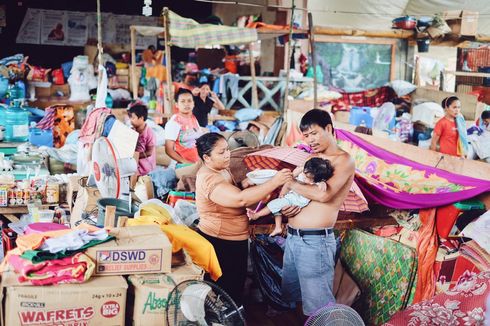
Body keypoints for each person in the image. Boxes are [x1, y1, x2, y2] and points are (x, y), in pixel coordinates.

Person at [195, 132, 292, 305]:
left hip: (234, 240)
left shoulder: (221, 169)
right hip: (220, 242)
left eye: (227, 149)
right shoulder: (208, 178)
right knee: (224, 295)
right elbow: (240, 199)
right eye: (221, 152)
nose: (227, 154)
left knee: (235, 290)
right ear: (206, 157)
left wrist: (245, 183)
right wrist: (274, 182)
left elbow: (235, 191)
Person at [279, 108, 355, 316]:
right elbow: (286, 186)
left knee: (319, 307)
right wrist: (284, 205)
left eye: (313, 133)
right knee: (293, 298)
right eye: (305, 136)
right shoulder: (311, 158)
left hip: (315, 242)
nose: (309, 140)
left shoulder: (343, 160)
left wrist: (292, 183)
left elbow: (324, 195)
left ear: (328, 128)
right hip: (293, 238)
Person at [247, 157, 334, 237]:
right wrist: (299, 169)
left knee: (273, 204)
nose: (306, 179)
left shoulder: (319, 181)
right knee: (277, 208)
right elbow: (290, 178)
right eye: (305, 175)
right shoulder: (303, 172)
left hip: (298, 200)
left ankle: (256, 215)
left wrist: (322, 183)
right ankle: (278, 227)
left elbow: (322, 188)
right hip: (291, 196)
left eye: (310, 179)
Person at [165, 89, 204, 164]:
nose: (186, 104)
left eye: (189, 101)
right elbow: (168, 150)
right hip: (182, 165)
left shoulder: (193, 118)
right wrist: (185, 162)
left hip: (197, 162)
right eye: (183, 101)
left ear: (193, 103)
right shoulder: (174, 122)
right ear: (176, 104)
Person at [127, 103, 156, 186]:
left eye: (133, 118)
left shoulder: (149, 133)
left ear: (141, 118)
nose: (130, 120)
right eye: (130, 118)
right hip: (135, 166)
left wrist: (135, 156)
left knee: (142, 187)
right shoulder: (132, 131)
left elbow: (150, 152)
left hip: (146, 168)